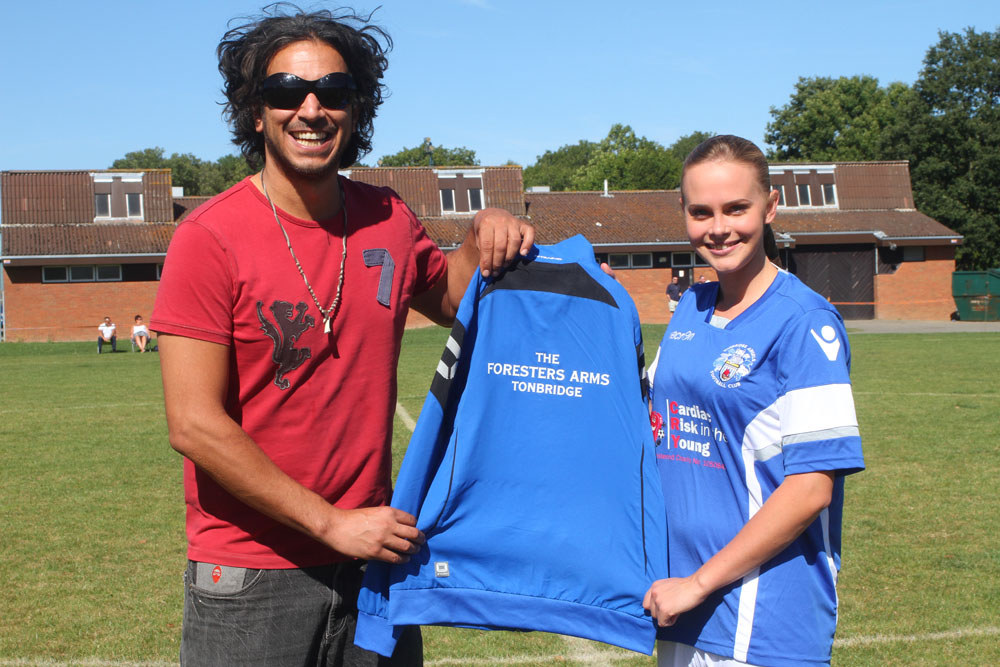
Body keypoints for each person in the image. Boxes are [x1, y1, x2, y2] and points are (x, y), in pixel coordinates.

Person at [149, 7, 533, 666]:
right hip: (251, 577)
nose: (310, 108)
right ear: (255, 111)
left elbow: (452, 295)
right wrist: (331, 522)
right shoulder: (207, 237)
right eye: (284, 92)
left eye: (333, 91)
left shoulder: (386, 217)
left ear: (356, 110)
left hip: (373, 568)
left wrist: (487, 226)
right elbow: (193, 423)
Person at [643, 135, 865, 667]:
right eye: (701, 212)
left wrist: (698, 584)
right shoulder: (691, 307)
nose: (718, 228)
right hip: (682, 608)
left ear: (770, 205)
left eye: (736, 208)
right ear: (684, 213)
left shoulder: (805, 322)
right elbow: (644, 416)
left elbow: (811, 489)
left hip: (761, 620)